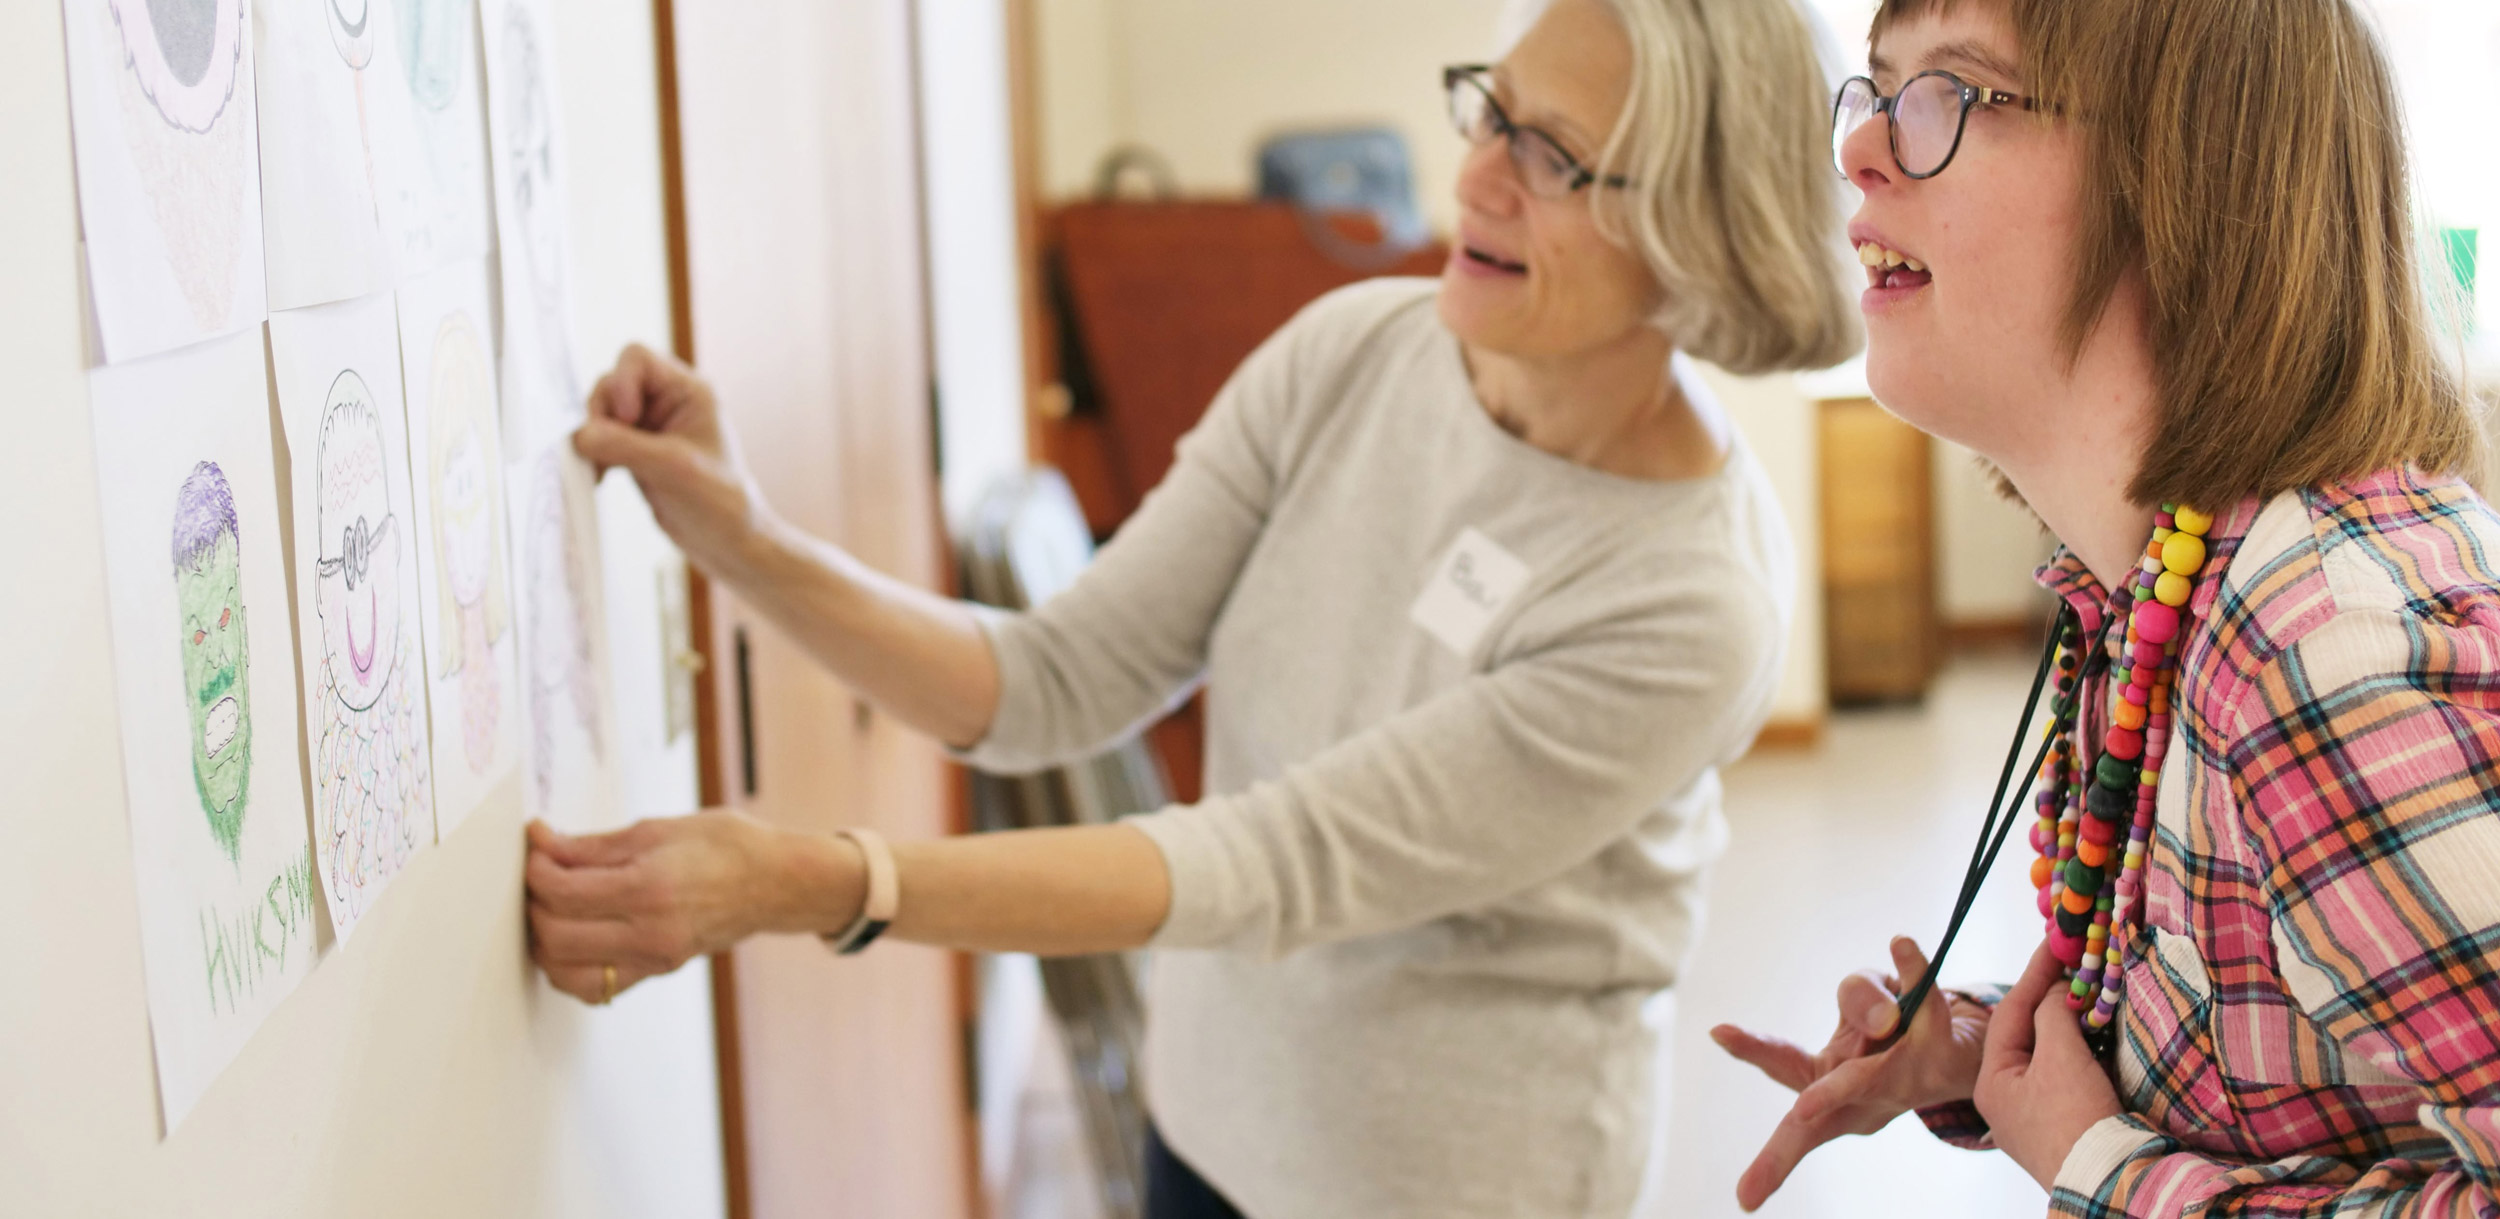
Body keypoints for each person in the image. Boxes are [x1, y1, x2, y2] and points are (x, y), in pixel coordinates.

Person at [525, 0, 1857, 1214]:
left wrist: (816, 880)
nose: (1475, 175)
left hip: (1447, 1177)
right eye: (1488, 110)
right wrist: (736, 534)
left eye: (1552, 153)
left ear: (1702, 226)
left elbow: (1273, 860)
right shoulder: (1355, 353)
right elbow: (1053, 674)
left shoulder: (1690, 600)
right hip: (1209, 1113)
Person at [1713, 0, 2500, 1214]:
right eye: (1875, 89)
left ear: (2185, 182)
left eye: (1950, 93)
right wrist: (1989, 1055)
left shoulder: (2321, 652)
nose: (1859, 148)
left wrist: (2106, 1173)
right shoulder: (2157, 586)